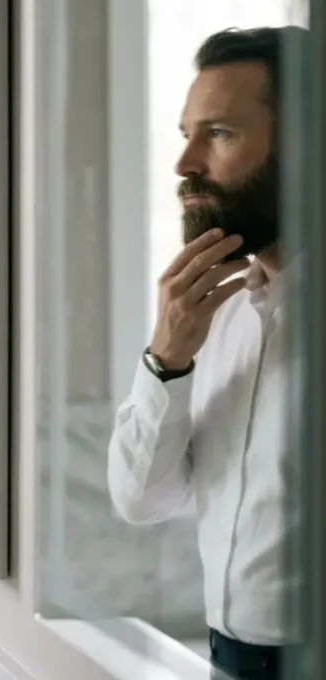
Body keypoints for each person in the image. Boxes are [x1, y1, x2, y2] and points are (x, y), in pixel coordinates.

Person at [107, 26, 307, 680]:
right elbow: (142, 501)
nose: (184, 163)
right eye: (186, 133)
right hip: (227, 657)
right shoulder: (213, 317)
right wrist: (166, 359)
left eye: (218, 134)